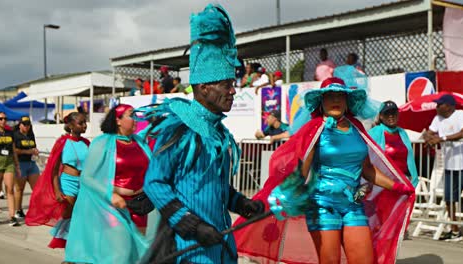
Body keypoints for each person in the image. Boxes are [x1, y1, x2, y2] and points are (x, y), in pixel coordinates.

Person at [234, 77, 416, 264]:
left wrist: (399, 187)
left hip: (353, 203)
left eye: (340, 96)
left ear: (347, 101)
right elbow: (301, 172)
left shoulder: (357, 128)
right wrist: (285, 197)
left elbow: (368, 170)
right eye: (330, 96)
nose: (335, 100)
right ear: (321, 102)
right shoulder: (315, 129)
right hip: (322, 204)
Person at [140, 4, 264, 263]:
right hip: (190, 250)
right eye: (227, 85)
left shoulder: (219, 133)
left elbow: (215, 188)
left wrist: (242, 204)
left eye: (233, 84)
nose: (233, 91)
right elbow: (155, 182)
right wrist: (191, 225)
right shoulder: (178, 128)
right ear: (205, 88)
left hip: (222, 247)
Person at [65, 104, 153, 263]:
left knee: (137, 255)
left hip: (140, 206)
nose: (135, 119)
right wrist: (110, 195)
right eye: (130, 115)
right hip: (112, 207)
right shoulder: (102, 142)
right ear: (118, 120)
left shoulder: (140, 143)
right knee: (120, 254)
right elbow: (87, 177)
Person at [25, 112, 89, 248]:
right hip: (68, 182)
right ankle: (69, 247)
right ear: (71, 125)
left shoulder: (87, 143)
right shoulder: (62, 142)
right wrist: (57, 190)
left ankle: (73, 247)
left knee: (81, 216)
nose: (84, 126)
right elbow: (53, 170)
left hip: (84, 183)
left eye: (85, 122)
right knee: (69, 213)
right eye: (81, 123)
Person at [424, 94, 463, 241]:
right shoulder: (437, 119)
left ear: (449, 106)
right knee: (449, 199)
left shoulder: (460, 114)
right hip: (449, 166)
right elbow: (428, 133)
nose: (436, 107)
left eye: (439, 104)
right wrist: (429, 138)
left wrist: (442, 138)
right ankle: (454, 231)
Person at [369, 101, 419, 187]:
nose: (391, 115)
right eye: (387, 113)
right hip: (383, 183)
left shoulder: (402, 133)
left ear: (398, 114)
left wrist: (413, 180)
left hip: (403, 182)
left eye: (393, 113)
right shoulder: (375, 132)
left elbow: (410, 158)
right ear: (381, 116)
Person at [13, 116, 40, 219]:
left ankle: (37, 209)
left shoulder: (30, 134)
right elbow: (14, 150)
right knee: (20, 189)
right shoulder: (15, 135)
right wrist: (27, 151)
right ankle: (18, 210)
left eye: (28, 124)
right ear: (20, 125)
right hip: (20, 163)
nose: (27, 126)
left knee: (38, 188)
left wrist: (35, 150)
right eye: (24, 124)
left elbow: (33, 146)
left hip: (31, 163)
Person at [0, 111, 19, 226]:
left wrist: (17, 165)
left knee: (10, 189)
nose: (3, 121)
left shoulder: (10, 132)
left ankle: (12, 216)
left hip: (9, 162)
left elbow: (14, 150)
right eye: (1, 118)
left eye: (5, 118)